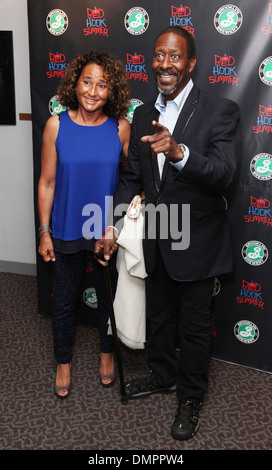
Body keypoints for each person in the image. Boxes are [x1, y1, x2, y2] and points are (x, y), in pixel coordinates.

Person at [95, 26, 241, 439]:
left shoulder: (220, 110)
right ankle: (163, 376)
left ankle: (190, 398)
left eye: (175, 57)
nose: (165, 64)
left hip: (197, 245)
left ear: (191, 63)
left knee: (193, 329)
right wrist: (113, 223)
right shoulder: (143, 114)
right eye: (159, 55)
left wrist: (180, 154)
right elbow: (130, 177)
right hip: (156, 237)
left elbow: (225, 175)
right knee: (159, 318)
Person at [38, 50, 131, 398]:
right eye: (87, 81)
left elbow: (130, 180)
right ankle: (63, 363)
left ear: (112, 91)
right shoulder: (56, 125)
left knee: (109, 300)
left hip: (105, 231)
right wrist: (44, 230)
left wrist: (116, 225)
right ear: (75, 84)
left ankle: (107, 355)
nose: (93, 91)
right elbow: (47, 182)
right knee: (64, 302)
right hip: (64, 230)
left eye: (102, 85)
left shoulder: (121, 128)